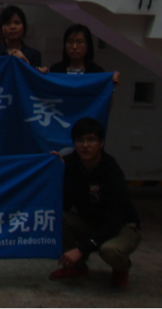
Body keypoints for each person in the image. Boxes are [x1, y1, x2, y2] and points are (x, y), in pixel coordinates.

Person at [50, 117, 141, 287]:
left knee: (110, 251)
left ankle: (121, 268)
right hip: (92, 223)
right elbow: (64, 204)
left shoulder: (111, 171)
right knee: (57, 218)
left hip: (122, 226)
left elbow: (114, 222)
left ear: (101, 143)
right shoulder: (69, 164)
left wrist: (82, 249)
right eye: (80, 140)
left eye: (91, 140)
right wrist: (55, 170)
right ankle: (77, 267)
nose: (85, 145)